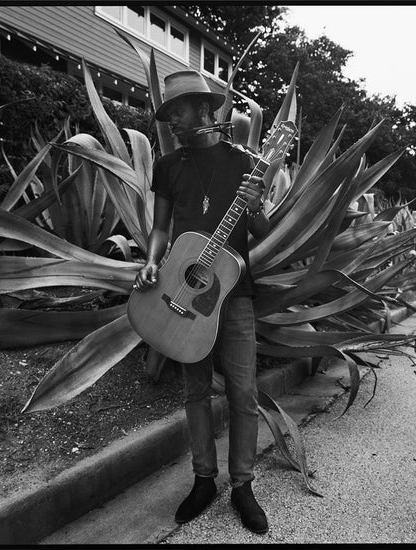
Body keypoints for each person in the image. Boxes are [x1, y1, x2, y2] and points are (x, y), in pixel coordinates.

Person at [134, 70, 270, 534]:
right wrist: (151, 262)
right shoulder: (167, 167)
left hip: (234, 294)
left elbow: (263, 230)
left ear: (205, 110)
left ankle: (243, 485)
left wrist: (256, 206)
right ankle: (203, 479)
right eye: (168, 114)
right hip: (183, 291)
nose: (172, 121)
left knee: (243, 392)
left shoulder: (245, 163)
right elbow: (159, 229)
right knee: (193, 390)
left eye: (178, 111)